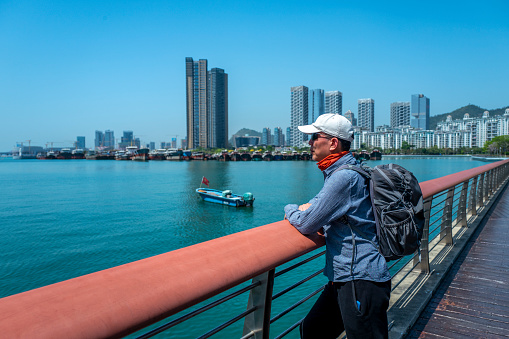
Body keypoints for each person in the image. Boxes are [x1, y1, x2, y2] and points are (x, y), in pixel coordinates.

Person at [284, 113, 391, 339]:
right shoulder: (344, 171)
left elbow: (306, 223)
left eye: (314, 137)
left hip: (360, 277)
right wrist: (309, 208)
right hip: (346, 277)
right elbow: (321, 203)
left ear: (333, 143)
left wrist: (290, 209)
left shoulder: (343, 178)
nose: (310, 143)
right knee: (312, 329)